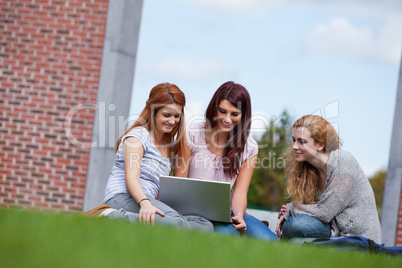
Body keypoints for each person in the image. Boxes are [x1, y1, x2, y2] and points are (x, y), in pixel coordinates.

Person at [101, 83, 213, 232]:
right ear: (152, 111)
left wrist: (193, 188)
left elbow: (164, 191)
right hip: (122, 197)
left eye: (176, 116)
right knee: (178, 222)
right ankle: (110, 216)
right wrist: (145, 203)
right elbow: (131, 180)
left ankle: (132, 219)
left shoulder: (171, 147)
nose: (172, 121)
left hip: (148, 200)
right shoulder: (137, 137)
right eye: (166, 115)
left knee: (205, 225)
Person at [180, 81, 278, 241]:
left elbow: (240, 191)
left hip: (227, 212)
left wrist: (239, 215)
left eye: (234, 114)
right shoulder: (192, 132)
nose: (227, 119)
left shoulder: (249, 147)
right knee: (229, 237)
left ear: (243, 114)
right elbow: (180, 180)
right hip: (193, 210)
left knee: (269, 241)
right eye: (222, 111)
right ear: (214, 107)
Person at [275, 115, 382, 243]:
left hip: (357, 240)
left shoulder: (343, 162)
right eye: (293, 140)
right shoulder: (310, 170)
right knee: (293, 238)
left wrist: (291, 210)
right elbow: (311, 212)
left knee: (295, 224)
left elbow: (324, 212)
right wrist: (290, 211)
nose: (294, 146)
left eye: (301, 141)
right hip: (332, 234)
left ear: (320, 145)